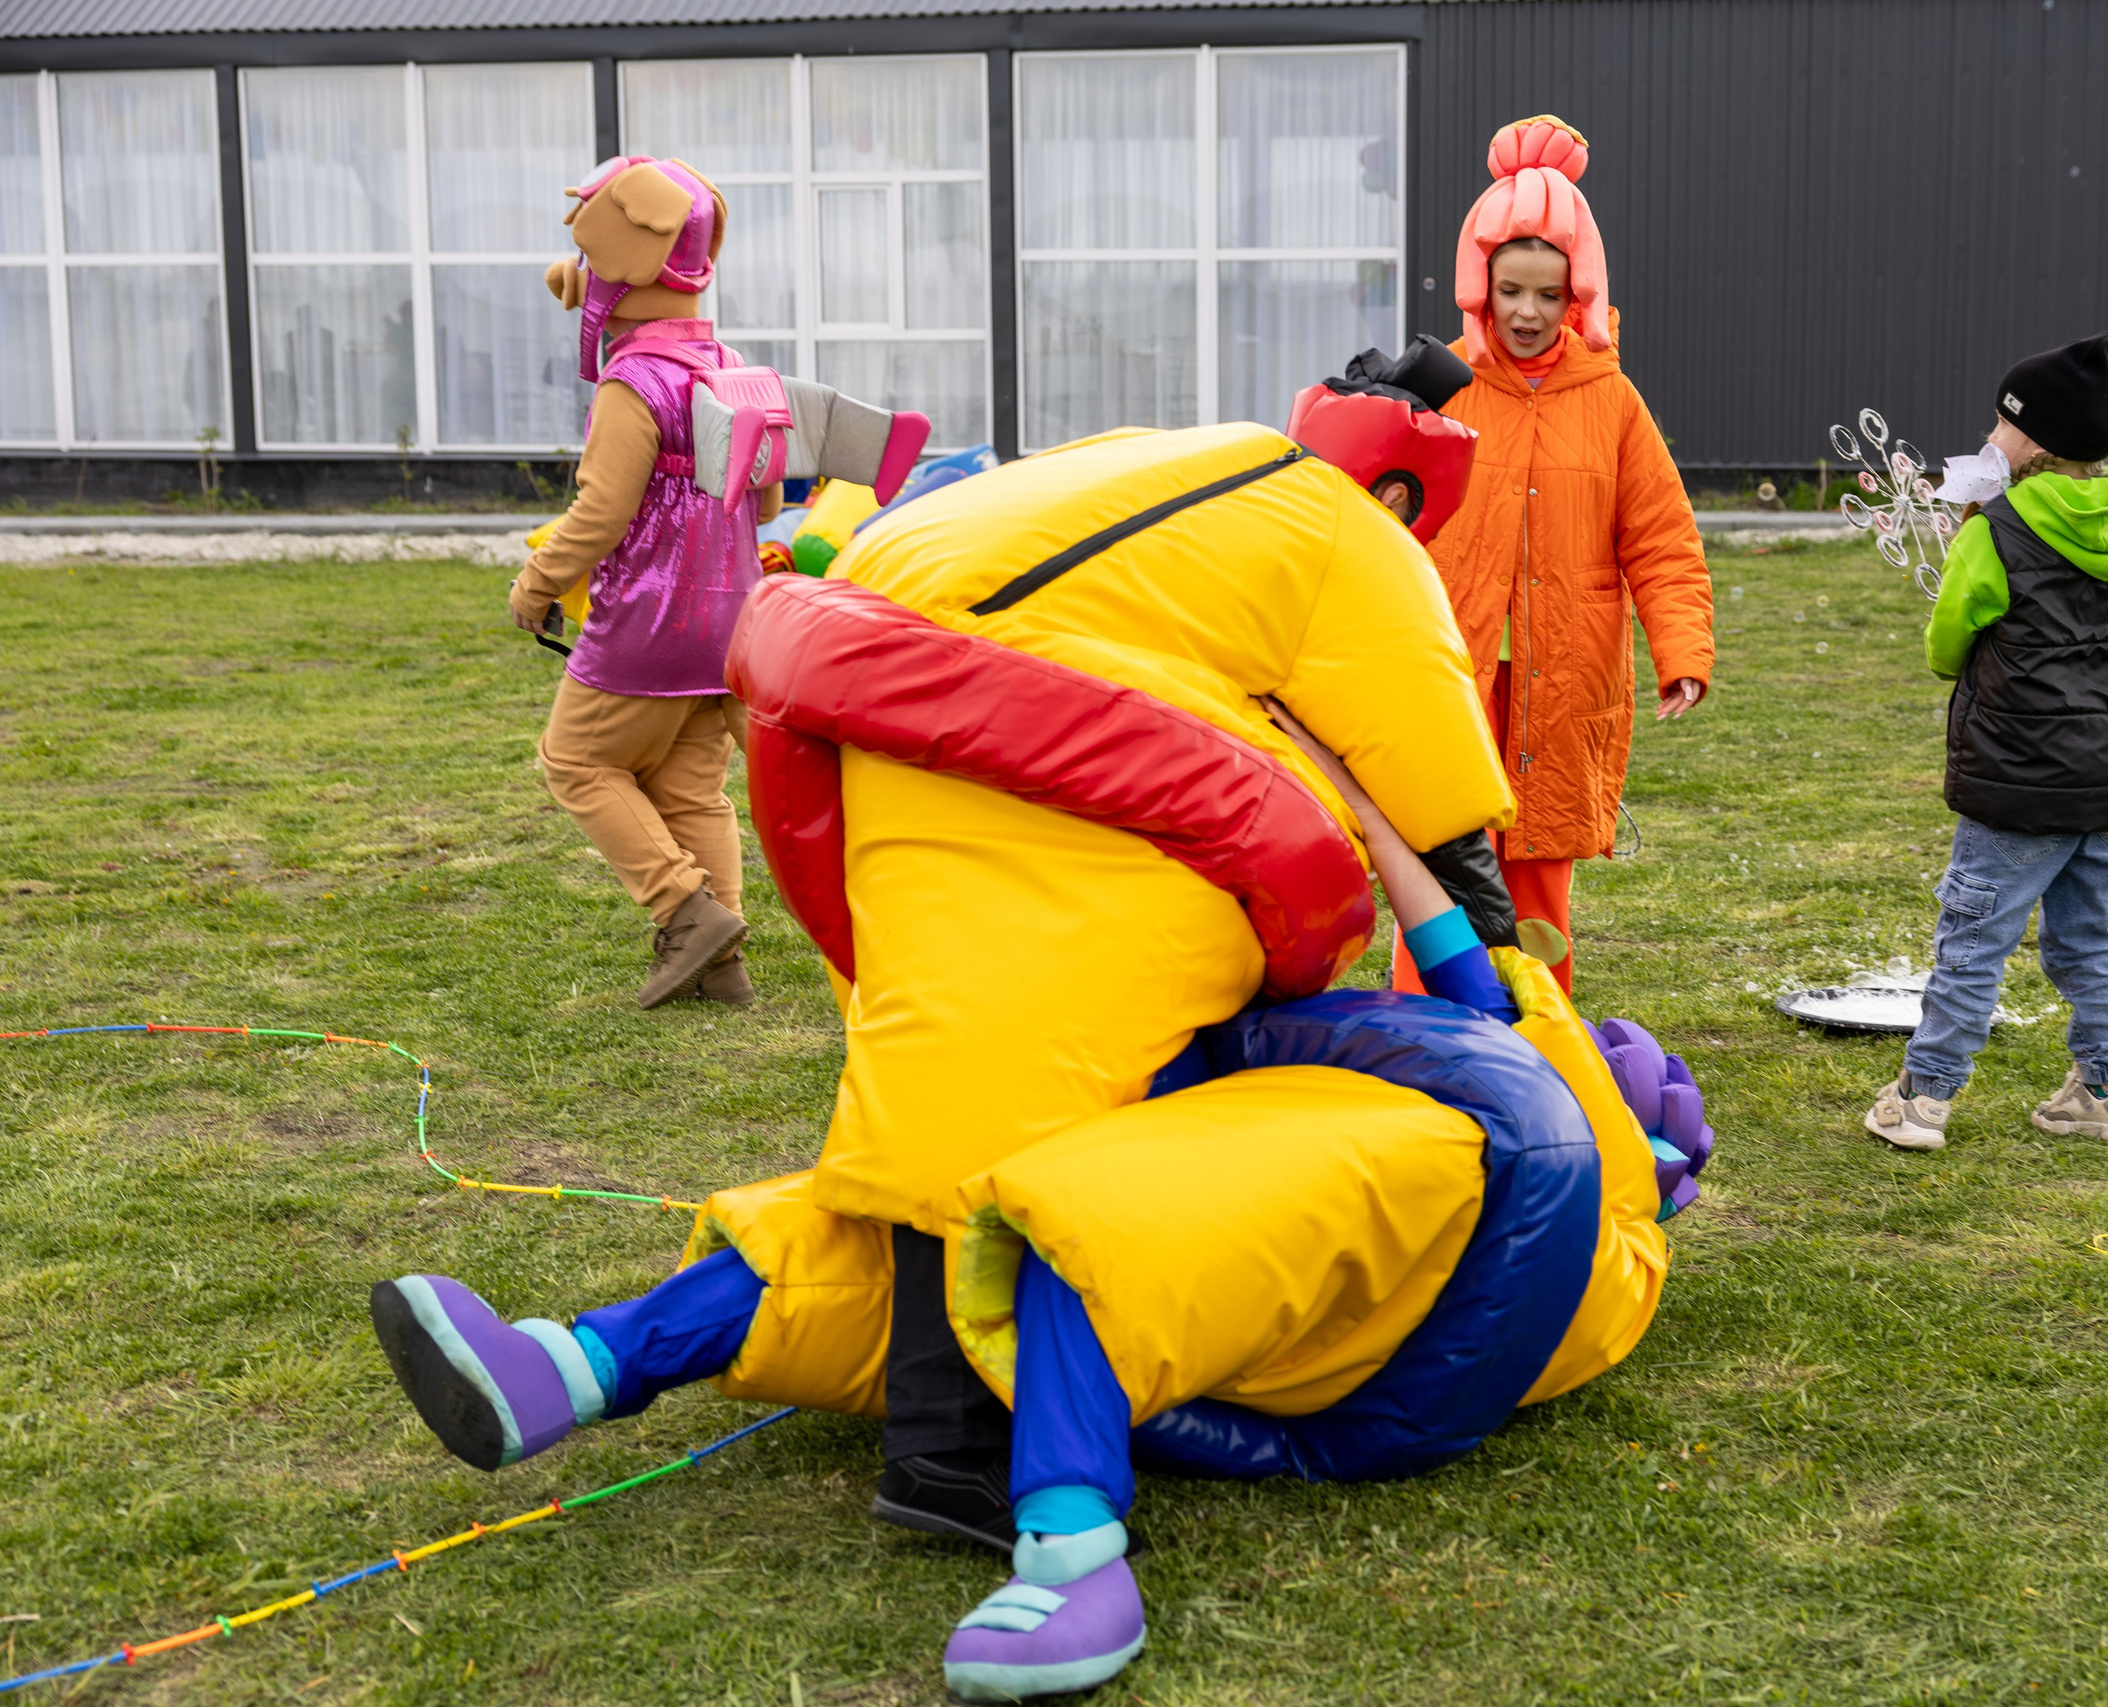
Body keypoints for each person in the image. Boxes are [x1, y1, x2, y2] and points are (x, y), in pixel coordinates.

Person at [365, 694, 1707, 1700]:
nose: (1621, 1040)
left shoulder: (1578, 1159)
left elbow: (1464, 979)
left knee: (1085, 1213)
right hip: (1309, 1266)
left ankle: (1072, 1562)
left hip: (1422, 1224)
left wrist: (1359, 810)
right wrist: (1338, 790)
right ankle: (569, 1366)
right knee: (899, 1208)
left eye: (1633, 1059)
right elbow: (1444, 929)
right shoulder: (1522, 1071)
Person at [505, 156, 923, 1011]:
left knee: (575, 760)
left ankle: (684, 910)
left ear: (626, 263)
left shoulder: (632, 383)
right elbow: (766, 498)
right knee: (690, 789)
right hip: (730, 618)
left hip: (647, 620)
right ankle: (721, 965)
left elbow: (602, 511)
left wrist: (537, 580)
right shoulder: (731, 368)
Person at [1397, 115, 1717, 995]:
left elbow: (1661, 538)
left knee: (1536, 874)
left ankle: (1539, 1035)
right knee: (1440, 864)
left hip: (1564, 678)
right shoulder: (1437, 390)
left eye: (1549, 293)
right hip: (1452, 674)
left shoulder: (1612, 401)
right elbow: (1376, 516)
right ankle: (1426, 1030)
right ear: (1480, 286)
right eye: (1510, 291)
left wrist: (1683, 652)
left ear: (1579, 292)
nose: (1528, 313)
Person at [1863, 332, 2108, 1153]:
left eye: (2001, 423)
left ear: (2031, 443)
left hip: (2017, 780)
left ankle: (1922, 1098)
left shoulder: (1993, 530)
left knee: (1972, 940)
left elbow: (1945, 651)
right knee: (2087, 938)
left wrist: (1970, 540)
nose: (1990, 435)